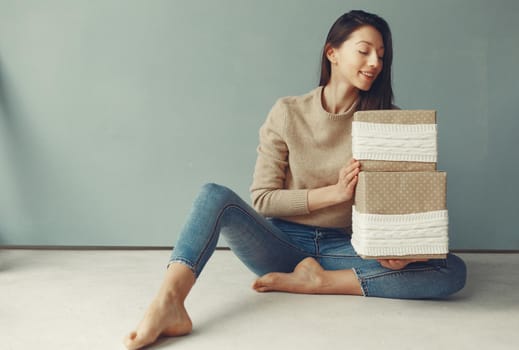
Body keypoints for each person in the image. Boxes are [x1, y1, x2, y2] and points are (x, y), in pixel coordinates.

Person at [123, 10, 467, 349]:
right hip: (280, 242)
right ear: (332, 52)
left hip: (346, 248)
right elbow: (263, 198)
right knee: (213, 195)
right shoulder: (288, 112)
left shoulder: (388, 124)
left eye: (381, 54)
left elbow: (402, 205)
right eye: (364, 50)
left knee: (450, 270)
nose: (375, 62)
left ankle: (321, 283)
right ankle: (169, 302)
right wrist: (333, 193)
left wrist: (403, 252)